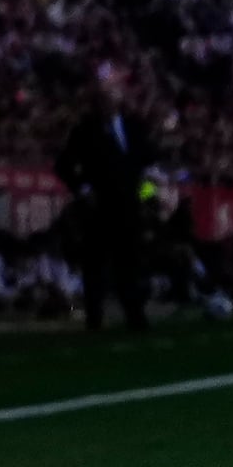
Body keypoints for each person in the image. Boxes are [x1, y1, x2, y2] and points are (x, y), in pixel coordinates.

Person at [58, 77, 156, 338]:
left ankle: (135, 313)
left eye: (110, 99)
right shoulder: (84, 131)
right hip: (99, 207)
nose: (105, 105)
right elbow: (64, 165)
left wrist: (148, 195)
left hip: (129, 206)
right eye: (101, 100)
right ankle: (94, 316)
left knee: (130, 262)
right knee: (95, 263)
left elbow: (147, 163)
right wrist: (83, 190)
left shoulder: (134, 127)